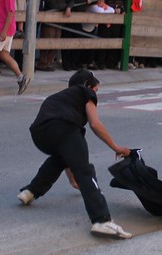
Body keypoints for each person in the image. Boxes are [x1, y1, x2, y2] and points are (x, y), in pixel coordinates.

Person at [17, 70, 132, 239]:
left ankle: (30, 191)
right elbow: (95, 124)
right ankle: (102, 221)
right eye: (95, 88)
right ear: (87, 85)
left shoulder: (60, 99)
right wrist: (116, 147)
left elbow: (69, 154)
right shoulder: (85, 93)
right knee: (85, 171)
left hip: (39, 134)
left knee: (61, 157)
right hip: (63, 128)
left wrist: (72, 179)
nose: (96, 92)